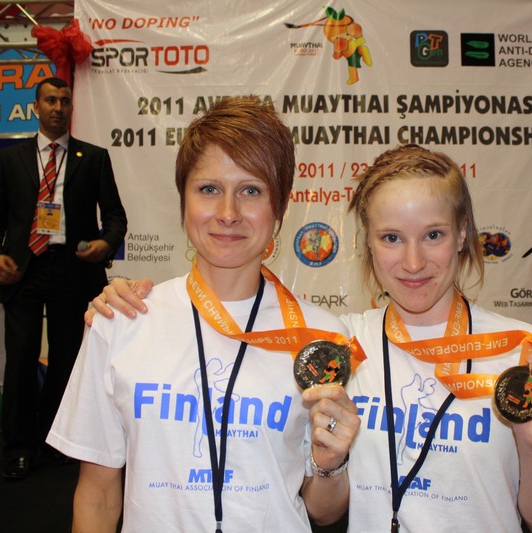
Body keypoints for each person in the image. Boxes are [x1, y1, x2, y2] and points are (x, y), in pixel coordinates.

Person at [91, 144, 532, 531]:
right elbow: (323, 510)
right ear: (367, 244)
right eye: (391, 237)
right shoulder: (337, 346)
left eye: (434, 235)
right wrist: (124, 300)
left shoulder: (525, 354)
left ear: (463, 233)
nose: (413, 262)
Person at [47, 96, 359, 531]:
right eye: (209, 189)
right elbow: (97, 497)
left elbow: (324, 511)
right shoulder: (122, 320)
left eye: (251, 190)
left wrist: (330, 463)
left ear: (281, 207)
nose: (228, 213)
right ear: (184, 200)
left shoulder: (321, 340)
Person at [0, 76, 128, 481]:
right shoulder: (10, 159)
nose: (58, 107)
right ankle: (18, 448)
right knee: (21, 358)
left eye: (64, 101)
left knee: (67, 360)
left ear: (70, 108)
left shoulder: (92, 157)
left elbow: (115, 217)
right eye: (50, 100)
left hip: (73, 268)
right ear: (36, 106)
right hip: (23, 269)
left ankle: (55, 441)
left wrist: (105, 244)